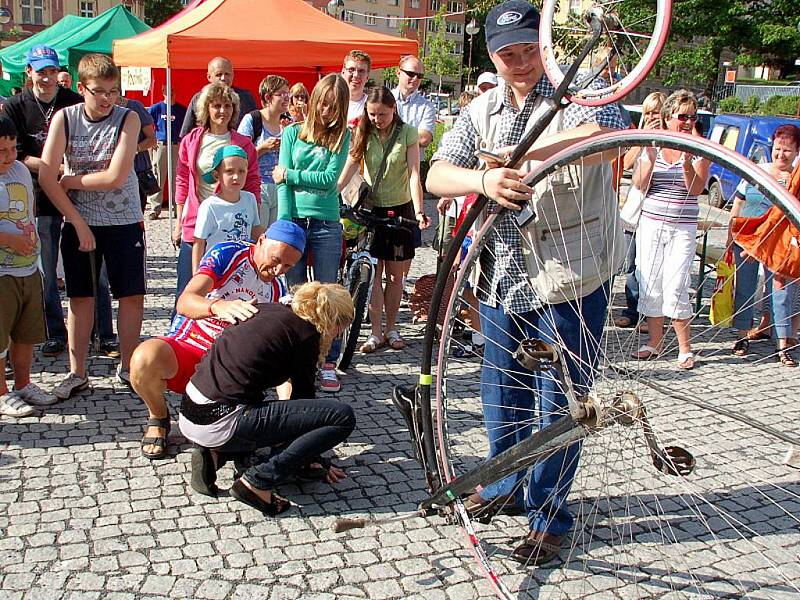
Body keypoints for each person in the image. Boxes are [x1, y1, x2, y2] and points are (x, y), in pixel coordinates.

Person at [424, 0, 626, 565]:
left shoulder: (580, 86)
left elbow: (605, 136)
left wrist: (526, 154)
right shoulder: (481, 107)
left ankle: (549, 517)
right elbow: (439, 173)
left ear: (545, 45)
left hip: (570, 275)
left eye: (529, 51)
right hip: (500, 281)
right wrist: (483, 177)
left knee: (558, 403)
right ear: (492, 54)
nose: (520, 63)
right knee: (501, 397)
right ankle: (507, 482)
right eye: (507, 54)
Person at [130, 219, 304, 459]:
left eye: (287, 266)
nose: (278, 270)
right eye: (275, 260)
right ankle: (158, 417)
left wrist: (289, 412)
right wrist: (219, 306)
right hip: (190, 345)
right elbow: (185, 301)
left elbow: (279, 356)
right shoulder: (229, 253)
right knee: (143, 358)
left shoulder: (278, 290)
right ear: (261, 240)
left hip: (226, 369)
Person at [181, 281, 355, 515]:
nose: (337, 335)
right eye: (340, 328)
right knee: (341, 417)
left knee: (255, 404)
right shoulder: (306, 335)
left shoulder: (267, 309)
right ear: (331, 321)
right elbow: (305, 404)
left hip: (191, 409)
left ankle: (216, 453)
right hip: (222, 419)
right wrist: (312, 458)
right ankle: (257, 481)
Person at [38, 53, 144, 398]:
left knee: (130, 295)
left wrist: (72, 180)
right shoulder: (64, 119)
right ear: (81, 88)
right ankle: (76, 372)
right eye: (99, 91)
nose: (106, 99)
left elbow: (116, 176)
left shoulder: (127, 118)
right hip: (79, 220)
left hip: (124, 220)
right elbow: (46, 175)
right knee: (80, 298)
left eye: (112, 91)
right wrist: (78, 221)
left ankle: (128, 367)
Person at [2, 45, 82, 358]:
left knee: (89, 267)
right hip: (38, 195)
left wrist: (71, 173)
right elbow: (17, 154)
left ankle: (99, 332)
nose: (47, 78)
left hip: (76, 193)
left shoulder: (72, 100)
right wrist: (57, 169)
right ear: (29, 73)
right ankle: (55, 332)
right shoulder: (15, 105)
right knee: (47, 269)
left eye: (52, 71)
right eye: (41, 72)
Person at [274, 74, 350, 393]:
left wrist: (292, 174)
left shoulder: (341, 137)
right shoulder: (291, 133)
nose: (325, 113)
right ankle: (296, 357)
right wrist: (283, 224)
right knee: (295, 294)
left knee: (328, 294)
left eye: (333, 108)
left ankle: (328, 361)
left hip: (326, 221)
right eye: (322, 105)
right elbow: (280, 184)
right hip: (295, 221)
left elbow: (329, 179)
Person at [339, 87, 428, 353]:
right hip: (372, 209)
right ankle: (375, 332)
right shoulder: (363, 131)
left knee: (396, 275)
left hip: (400, 208)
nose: (377, 119)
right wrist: (334, 192)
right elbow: (352, 164)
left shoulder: (407, 133)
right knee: (373, 274)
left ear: (393, 110)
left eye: (382, 114)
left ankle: (392, 327)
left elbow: (414, 174)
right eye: (372, 114)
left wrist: (419, 209)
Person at [633, 89, 710, 370]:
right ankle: (655, 341)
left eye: (692, 116)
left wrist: (688, 162)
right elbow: (640, 184)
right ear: (667, 118)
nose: (688, 122)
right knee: (650, 280)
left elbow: (697, 189)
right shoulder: (652, 143)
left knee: (677, 284)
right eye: (683, 116)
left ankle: (685, 347)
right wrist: (651, 156)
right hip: (652, 223)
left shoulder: (700, 148)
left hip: (683, 225)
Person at [174, 81, 260, 304]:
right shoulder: (192, 140)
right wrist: (179, 220)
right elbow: (183, 179)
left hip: (230, 224)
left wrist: (255, 226)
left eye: (228, 106)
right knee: (188, 288)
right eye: (217, 106)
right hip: (196, 220)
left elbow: (252, 183)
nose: (223, 111)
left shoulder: (243, 143)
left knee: (229, 289)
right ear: (206, 109)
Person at [0, 115, 57, 416]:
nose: (9, 156)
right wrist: (8, 239)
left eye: (12, 148)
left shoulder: (20, 170)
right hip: (2, 272)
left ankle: (23, 383)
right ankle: (2, 391)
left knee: (26, 332)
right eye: (1, 151)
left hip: (27, 267)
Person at [729, 124, 800, 366]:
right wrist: (731, 235)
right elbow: (738, 203)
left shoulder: (796, 178)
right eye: (778, 149)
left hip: (778, 242)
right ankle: (741, 336)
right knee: (745, 287)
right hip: (748, 236)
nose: (781, 154)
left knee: (779, 292)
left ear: (796, 151)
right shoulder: (757, 170)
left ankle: (782, 344)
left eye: (788, 151)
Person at [614, 91, 666, 330]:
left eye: (656, 112)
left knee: (654, 268)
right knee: (631, 266)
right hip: (635, 212)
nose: (653, 117)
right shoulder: (639, 137)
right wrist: (643, 137)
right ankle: (632, 310)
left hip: (660, 213)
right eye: (648, 113)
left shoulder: (673, 141)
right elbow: (625, 164)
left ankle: (652, 316)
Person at [192, 145, 261, 273]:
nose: (236, 177)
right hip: (217, 268)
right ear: (216, 175)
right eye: (229, 171)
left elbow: (256, 230)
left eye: (241, 171)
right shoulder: (209, 206)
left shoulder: (250, 199)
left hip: (243, 268)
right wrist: (197, 274)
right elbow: (199, 242)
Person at [238, 75, 289, 229]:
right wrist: (263, 148)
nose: (287, 98)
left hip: (281, 187)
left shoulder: (289, 122)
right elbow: (239, 157)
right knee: (258, 236)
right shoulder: (252, 120)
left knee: (276, 237)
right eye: (281, 94)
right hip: (258, 187)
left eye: (288, 93)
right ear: (268, 97)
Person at [179, 57, 258, 138]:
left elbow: (257, 127)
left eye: (227, 74)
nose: (223, 78)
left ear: (233, 75)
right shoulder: (199, 99)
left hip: (238, 147)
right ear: (209, 77)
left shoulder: (246, 97)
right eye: (219, 74)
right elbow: (187, 134)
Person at [146, 86, 187, 219]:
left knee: (177, 177)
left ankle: (177, 207)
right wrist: (151, 140)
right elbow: (146, 123)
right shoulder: (156, 108)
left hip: (176, 145)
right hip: (161, 145)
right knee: (158, 175)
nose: (169, 94)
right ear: (162, 93)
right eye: (166, 91)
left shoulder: (181, 110)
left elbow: (187, 127)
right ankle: (155, 207)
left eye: (171, 91)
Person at [392, 56, 436, 149]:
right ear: (398, 73)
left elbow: (424, 139)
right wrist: (412, 137)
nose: (415, 78)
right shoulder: (384, 99)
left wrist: (390, 135)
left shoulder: (427, 106)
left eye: (420, 76)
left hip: (413, 163)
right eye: (411, 74)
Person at [342, 50, 371, 128]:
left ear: (367, 77)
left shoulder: (372, 105)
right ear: (343, 72)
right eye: (351, 70)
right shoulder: (332, 103)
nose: (356, 75)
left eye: (361, 71)